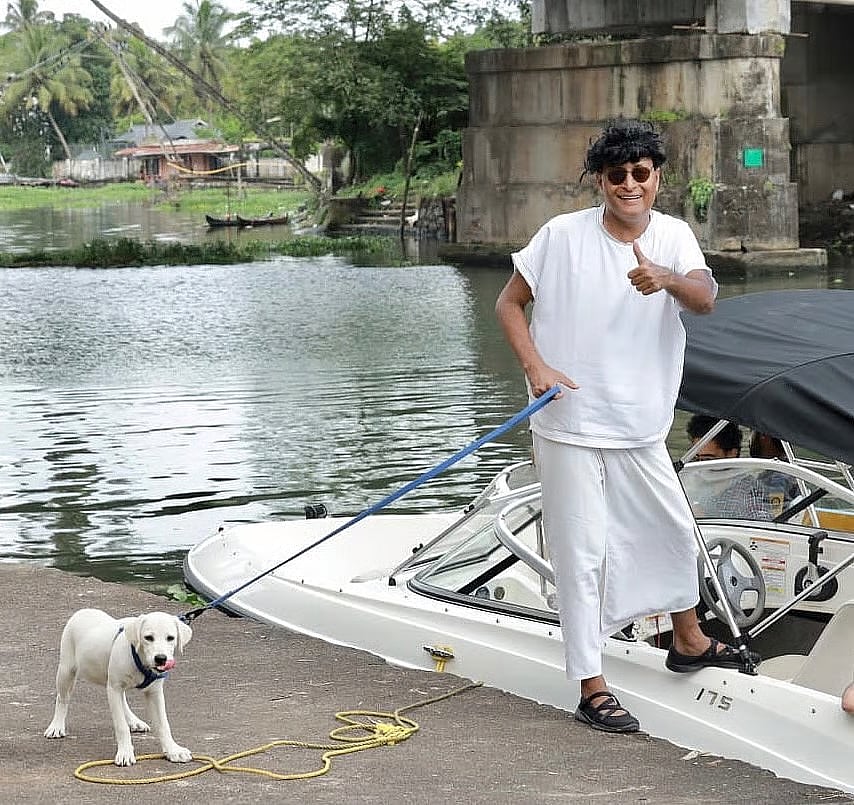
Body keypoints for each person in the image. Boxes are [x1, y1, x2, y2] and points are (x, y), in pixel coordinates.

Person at [495, 118, 758, 735]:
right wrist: (536, 366)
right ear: (600, 180)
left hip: (640, 422)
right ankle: (591, 683)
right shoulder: (560, 236)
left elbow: (704, 297)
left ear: (658, 178)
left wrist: (664, 278)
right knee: (583, 553)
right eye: (618, 175)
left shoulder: (673, 236)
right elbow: (509, 302)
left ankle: (686, 638)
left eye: (642, 173)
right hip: (568, 420)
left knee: (671, 529)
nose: (630, 185)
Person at [685, 414, 772, 520]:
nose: (700, 466)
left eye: (708, 459)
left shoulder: (748, 489)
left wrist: (708, 519)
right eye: (696, 458)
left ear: (732, 453)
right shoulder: (691, 482)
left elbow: (762, 522)